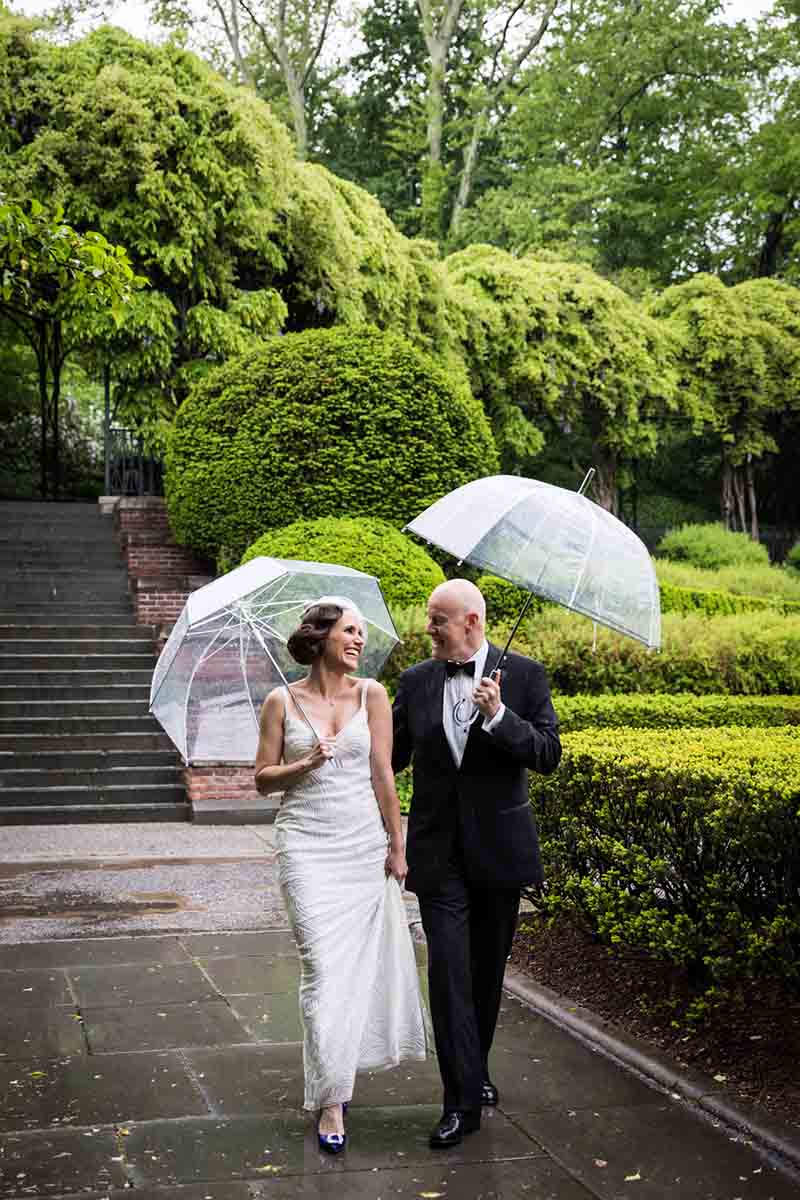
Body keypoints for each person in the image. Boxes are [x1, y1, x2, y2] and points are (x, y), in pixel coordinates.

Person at [254, 596, 428, 1156]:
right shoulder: (281, 701)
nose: (358, 641)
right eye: (349, 632)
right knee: (324, 969)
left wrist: (398, 846)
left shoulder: (373, 695)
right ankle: (331, 1098)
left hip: (361, 845)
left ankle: (336, 1079)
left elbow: (383, 774)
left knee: (355, 970)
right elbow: (261, 780)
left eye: (360, 633)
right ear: (321, 638)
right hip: (305, 846)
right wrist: (304, 764)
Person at [392, 578, 561, 1148]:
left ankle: (476, 1068)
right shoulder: (415, 682)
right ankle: (459, 1103)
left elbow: (548, 755)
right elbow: (387, 758)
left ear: (472, 622)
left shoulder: (526, 676)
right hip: (438, 856)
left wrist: (499, 717)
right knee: (448, 973)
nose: (428, 628)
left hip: (499, 852)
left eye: (437, 619)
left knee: (486, 974)